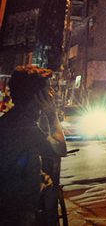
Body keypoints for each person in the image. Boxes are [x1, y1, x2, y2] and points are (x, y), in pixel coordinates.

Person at [0, 65, 67, 225]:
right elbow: (60, 148)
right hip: (18, 211)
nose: (52, 95)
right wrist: (52, 115)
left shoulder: (13, 119)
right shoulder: (23, 125)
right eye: (48, 91)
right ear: (37, 96)